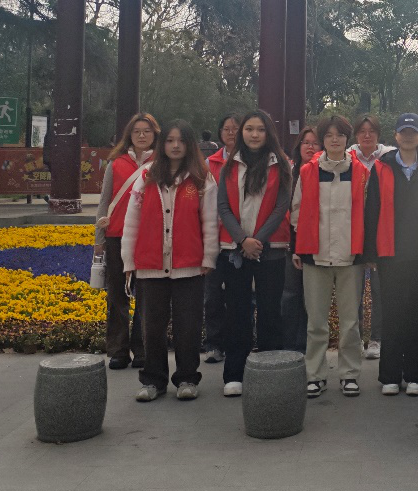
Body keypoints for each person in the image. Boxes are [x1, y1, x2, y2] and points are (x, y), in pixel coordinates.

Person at [122, 120, 219, 402]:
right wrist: (129, 260)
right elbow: (132, 220)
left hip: (189, 264)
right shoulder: (146, 176)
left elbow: (210, 221)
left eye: (181, 141)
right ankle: (153, 380)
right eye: (170, 140)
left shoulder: (201, 179)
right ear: (162, 144)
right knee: (152, 326)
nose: (175, 146)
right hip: (150, 264)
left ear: (189, 145)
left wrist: (209, 256)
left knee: (188, 325)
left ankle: (187, 377)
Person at [216, 110, 292, 397]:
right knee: (237, 313)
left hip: (270, 250)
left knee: (270, 312)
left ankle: (271, 372)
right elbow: (223, 207)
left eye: (260, 129)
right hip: (235, 251)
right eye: (249, 129)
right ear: (242, 133)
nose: (254, 134)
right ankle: (235, 373)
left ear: (268, 133)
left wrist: (256, 241)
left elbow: (281, 207)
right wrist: (242, 240)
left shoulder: (281, 165)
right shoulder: (229, 166)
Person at [292, 114, 369, 398]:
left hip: (350, 256)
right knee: (316, 322)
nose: (334, 140)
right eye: (329, 135)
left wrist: (366, 252)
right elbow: (296, 212)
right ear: (322, 140)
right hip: (316, 255)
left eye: (340, 135)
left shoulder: (360, 172)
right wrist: (298, 248)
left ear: (347, 139)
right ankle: (315, 375)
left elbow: (368, 213)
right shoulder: (308, 172)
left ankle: (349, 374)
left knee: (350, 322)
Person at [364, 113, 418, 396]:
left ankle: (416, 375)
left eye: (413, 132)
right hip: (390, 252)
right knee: (393, 313)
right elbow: (372, 209)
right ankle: (391, 375)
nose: (408, 137)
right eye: (403, 132)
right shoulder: (381, 167)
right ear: (395, 135)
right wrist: (370, 252)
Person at [94, 112, 159, 371]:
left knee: (146, 295)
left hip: (149, 237)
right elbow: (104, 201)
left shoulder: (162, 162)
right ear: (129, 135)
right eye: (137, 131)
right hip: (116, 236)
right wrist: (99, 239)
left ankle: (142, 349)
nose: (142, 135)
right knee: (116, 295)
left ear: (155, 134)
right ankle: (118, 350)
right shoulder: (116, 163)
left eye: (147, 131)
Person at [349, 115, 389, 360]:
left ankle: (376, 338)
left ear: (378, 134)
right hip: (351, 230)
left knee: (378, 288)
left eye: (371, 131)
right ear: (356, 134)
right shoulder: (346, 158)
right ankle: (353, 339)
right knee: (352, 290)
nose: (367, 135)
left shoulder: (388, 158)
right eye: (362, 131)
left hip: (378, 230)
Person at [202, 113, 241, 364]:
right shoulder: (210, 163)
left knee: (239, 296)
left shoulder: (249, 160)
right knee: (213, 295)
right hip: (215, 238)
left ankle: (238, 342)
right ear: (220, 133)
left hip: (239, 237)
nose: (231, 133)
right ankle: (214, 344)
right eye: (227, 129)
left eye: (236, 128)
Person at [280, 125, 320, 351]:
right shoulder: (289, 172)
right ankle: (289, 344)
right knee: (290, 294)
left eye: (315, 143)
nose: (310, 147)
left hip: (315, 243)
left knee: (311, 298)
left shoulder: (324, 172)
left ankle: (307, 344)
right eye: (306, 143)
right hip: (290, 241)